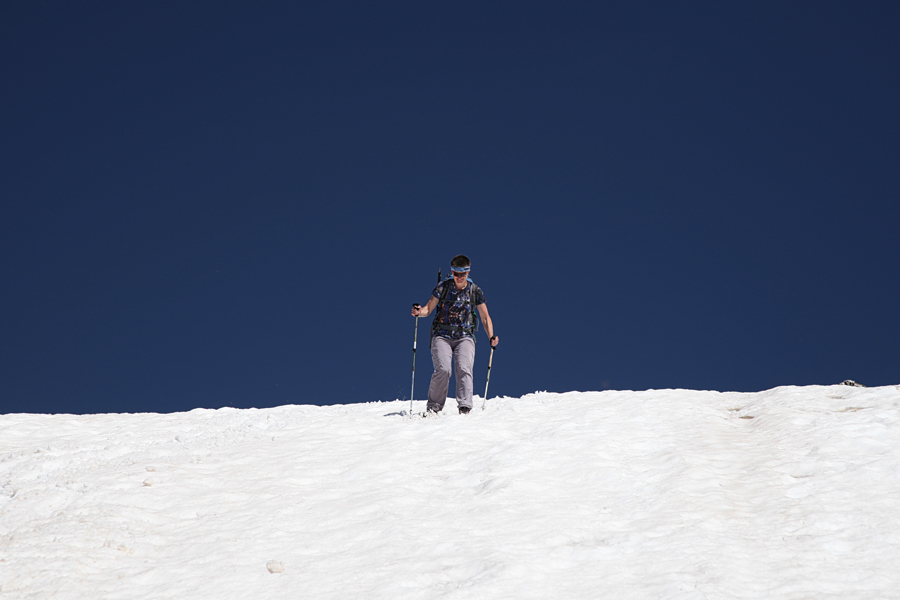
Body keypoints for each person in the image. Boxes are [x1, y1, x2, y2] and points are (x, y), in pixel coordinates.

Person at [411, 255, 498, 414]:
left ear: (468, 272)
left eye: (462, 274)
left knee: (464, 367)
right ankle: (433, 409)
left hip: (464, 336)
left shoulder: (475, 291)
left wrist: (491, 336)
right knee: (444, 369)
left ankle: (465, 407)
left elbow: (485, 317)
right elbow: (428, 309)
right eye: (456, 274)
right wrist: (419, 312)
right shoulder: (443, 287)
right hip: (442, 335)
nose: (459, 277)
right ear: (452, 272)